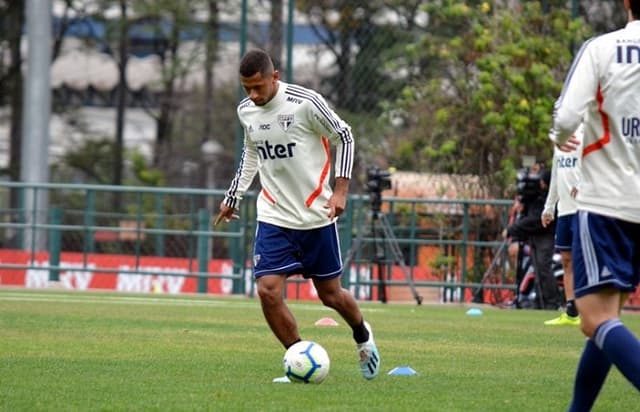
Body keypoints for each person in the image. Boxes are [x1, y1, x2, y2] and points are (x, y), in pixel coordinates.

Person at [215, 49, 380, 381]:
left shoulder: (305, 103)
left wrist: (341, 190)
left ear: (274, 76)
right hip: (274, 215)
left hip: (315, 217)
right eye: (246, 88)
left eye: (258, 87)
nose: (253, 95)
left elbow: (344, 136)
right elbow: (251, 152)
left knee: (330, 295)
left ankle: (362, 333)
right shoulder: (246, 111)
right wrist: (233, 195)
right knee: (267, 289)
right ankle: (299, 358)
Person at [549, 0, 640, 408]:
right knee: (610, 317)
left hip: (609, 202)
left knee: (595, 319)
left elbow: (567, 115)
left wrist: (559, 136)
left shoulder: (601, 48)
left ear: (626, 3)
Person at [541, 124, 584, 326]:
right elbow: (556, 176)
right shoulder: (560, 142)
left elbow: (598, 165)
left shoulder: (588, 133)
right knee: (566, 260)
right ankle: (571, 311)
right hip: (565, 210)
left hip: (584, 208)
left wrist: (583, 184)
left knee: (584, 259)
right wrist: (549, 207)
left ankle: (590, 310)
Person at [504, 167, 563, 310]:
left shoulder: (548, 199)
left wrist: (512, 229)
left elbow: (536, 220)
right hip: (535, 238)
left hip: (545, 236)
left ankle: (551, 303)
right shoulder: (534, 199)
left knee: (543, 267)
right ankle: (539, 300)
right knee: (537, 269)